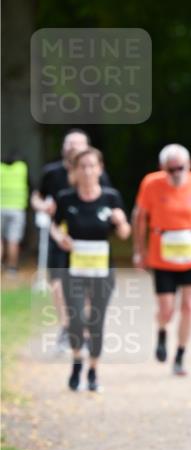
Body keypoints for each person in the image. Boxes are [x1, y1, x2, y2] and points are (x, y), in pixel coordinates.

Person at [132, 144, 191, 376]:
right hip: (162, 256)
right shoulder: (151, 184)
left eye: (181, 168)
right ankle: (161, 331)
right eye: (171, 169)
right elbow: (139, 218)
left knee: (189, 306)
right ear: (163, 168)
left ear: (188, 165)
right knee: (166, 308)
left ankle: (180, 354)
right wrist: (139, 251)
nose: (176, 173)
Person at [50, 148, 130, 391]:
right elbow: (54, 227)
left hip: (102, 271)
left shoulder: (111, 198)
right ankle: (77, 361)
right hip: (74, 269)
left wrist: (120, 221)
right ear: (74, 171)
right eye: (82, 166)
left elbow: (125, 234)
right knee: (75, 318)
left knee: (96, 322)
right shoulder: (66, 199)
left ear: (100, 168)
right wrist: (60, 238)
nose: (87, 171)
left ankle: (93, 370)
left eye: (91, 166)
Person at [31, 130, 111, 350]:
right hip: (59, 236)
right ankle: (67, 328)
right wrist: (41, 206)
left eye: (77, 144)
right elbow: (36, 196)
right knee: (57, 286)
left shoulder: (97, 173)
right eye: (68, 143)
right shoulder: (51, 172)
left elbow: (107, 201)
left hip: (85, 241)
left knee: (84, 290)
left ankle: (81, 331)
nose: (72, 147)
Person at [1, 152, 29, 274]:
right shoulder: (21, 168)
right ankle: (12, 268)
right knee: (14, 240)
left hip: (1, 207)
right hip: (17, 208)